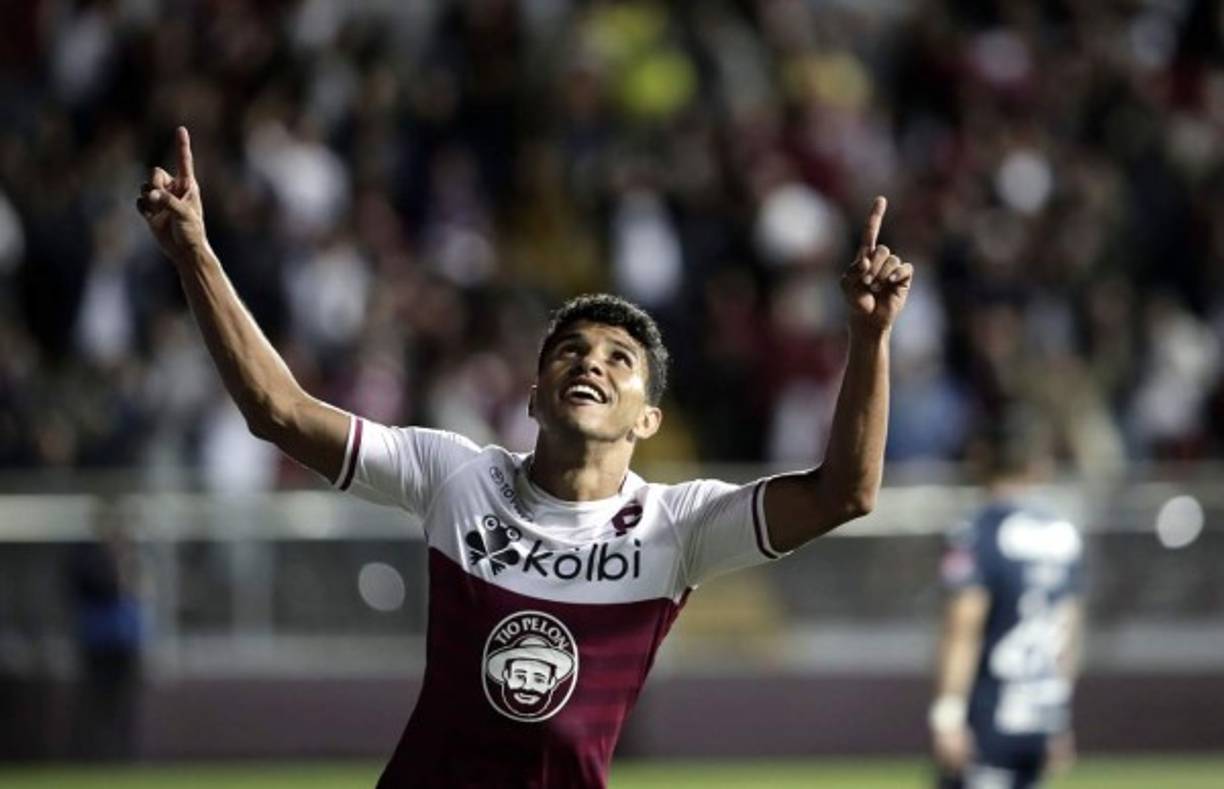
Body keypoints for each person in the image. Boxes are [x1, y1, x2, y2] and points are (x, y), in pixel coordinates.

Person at [137, 127, 913, 788]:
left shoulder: (676, 526)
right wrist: (195, 255)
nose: (591, 363)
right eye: (570, 351)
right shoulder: (457, 475)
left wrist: (870, 338)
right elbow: (280, 411)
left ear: (649, 417)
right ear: (535, 398)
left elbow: (847, 491)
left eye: (619, 357)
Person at [931, 414, 1085, 789]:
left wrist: (948, 715)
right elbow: (1069, 632)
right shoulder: (1063, 534)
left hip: (989, 714)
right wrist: (1059, 717)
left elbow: (963, 627)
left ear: (980, 457)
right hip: (1038, 717)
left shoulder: (978, 530)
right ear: (1038, 465)